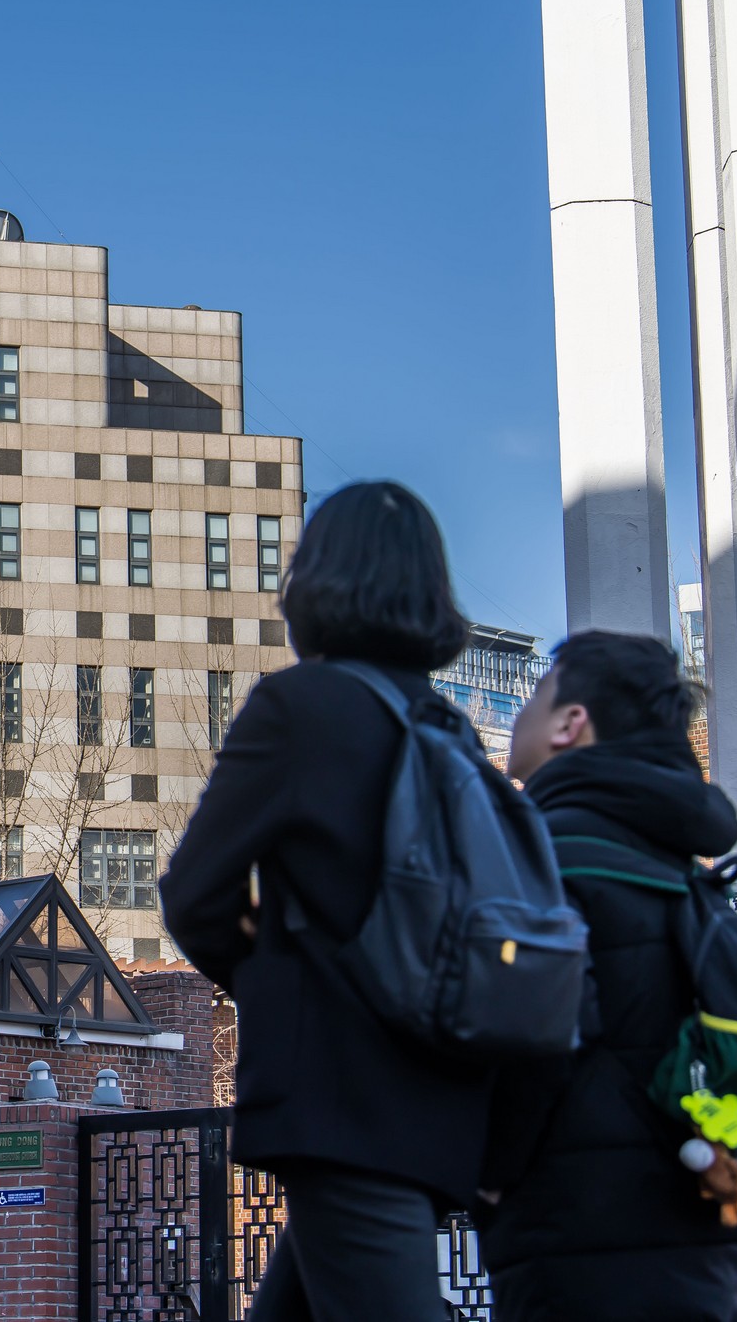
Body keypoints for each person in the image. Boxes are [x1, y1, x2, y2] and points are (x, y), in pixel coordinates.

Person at [160, 480, 483, 1322]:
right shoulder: (452, 730)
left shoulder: (298, 709)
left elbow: (195, 893)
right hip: (443, 1087)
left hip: (339, 1096)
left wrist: (273, 980)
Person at [479, 631, 737, 1321]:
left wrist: (487, 1175)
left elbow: (536, 1035)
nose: (517, 715)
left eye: (535, 697)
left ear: (572, 724)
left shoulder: (548, 852)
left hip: (579, 1234)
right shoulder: (684, 867)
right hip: (704, 1231)